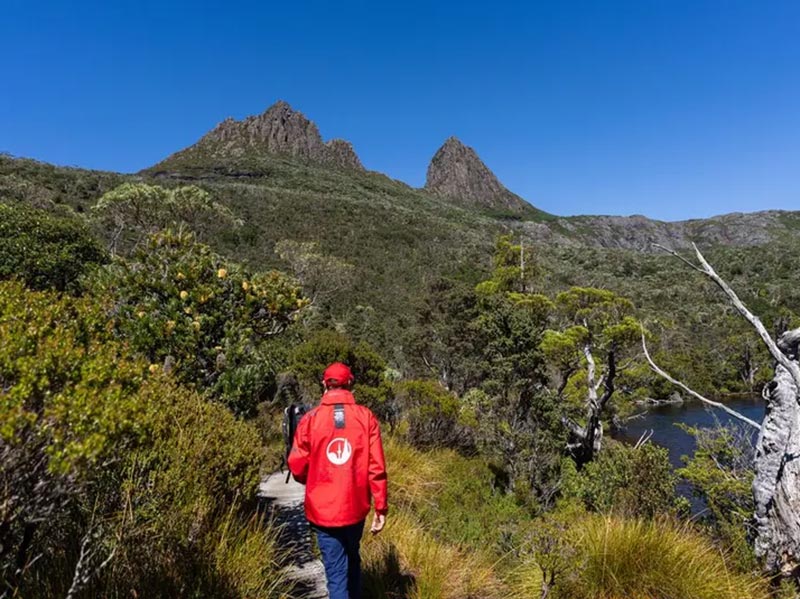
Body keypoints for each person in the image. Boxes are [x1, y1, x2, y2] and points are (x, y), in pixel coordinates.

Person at [288, 362, 388, 599]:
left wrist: (313, 480)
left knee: (336, 573)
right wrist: (381, 507)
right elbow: (377, 467)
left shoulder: (310, 420)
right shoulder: (366, 417)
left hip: (322, 512)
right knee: (352, 558)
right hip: (355, 508)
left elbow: (297, 465)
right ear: (350, 383)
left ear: (324, 384)